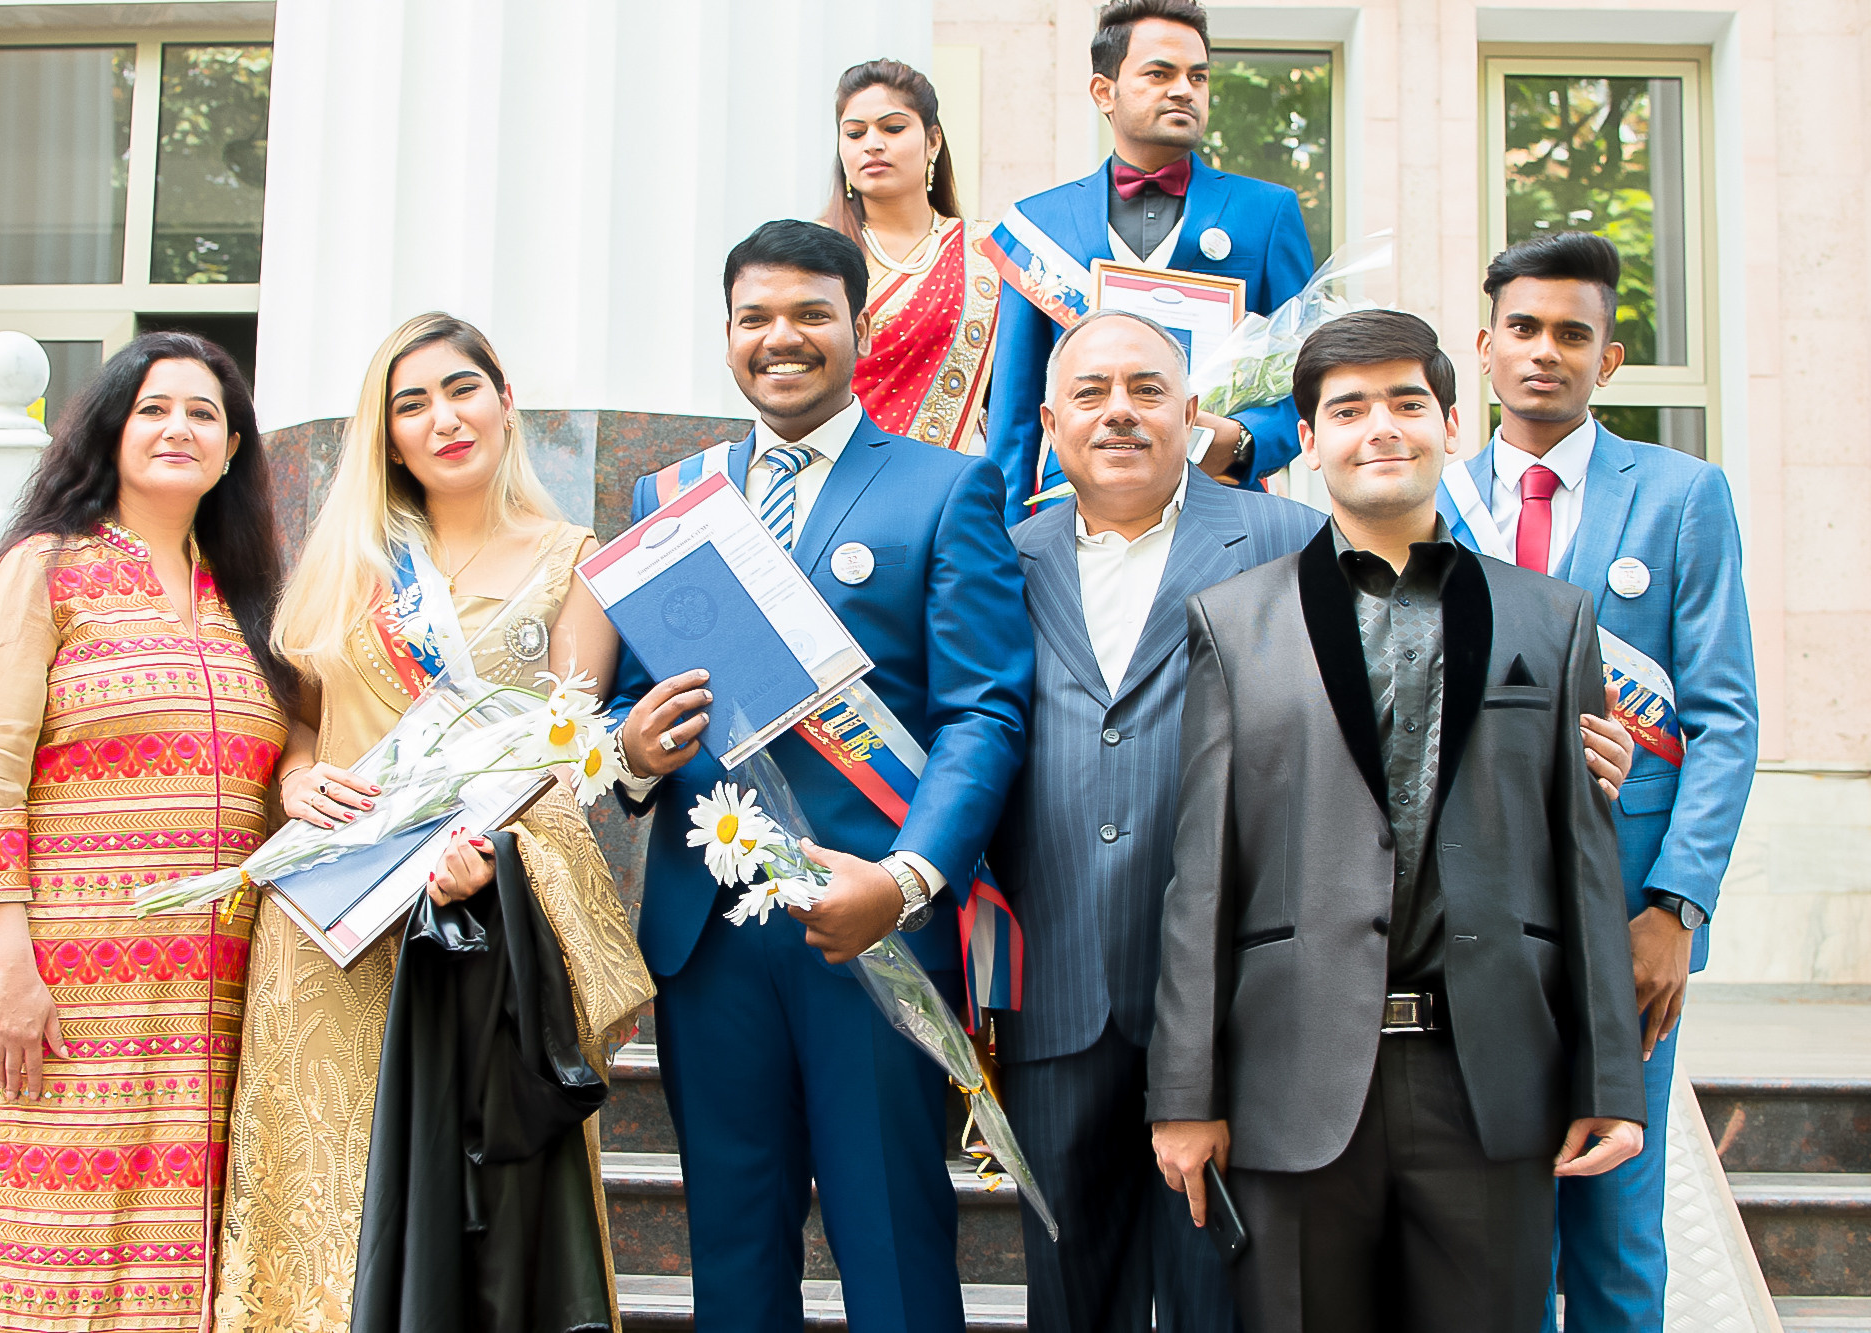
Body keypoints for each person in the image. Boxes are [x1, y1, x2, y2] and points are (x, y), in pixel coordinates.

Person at [1148, 309, 1648, 1332]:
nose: (1379, 426)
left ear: (1450, 425)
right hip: (1293, 1073)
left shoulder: (1550, 621)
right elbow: (1202, 874)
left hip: (1488, 1073)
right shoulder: (1231, 623)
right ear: (1310, 441)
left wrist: (1611, 1075)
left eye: (1405, 402)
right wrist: (1184, 1092)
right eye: (1346, 408)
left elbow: (1582, 861)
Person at [608, 219, 1032, 1332]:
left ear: (858, 327)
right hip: (710, 938)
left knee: (889, 1242)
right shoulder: (671, 499)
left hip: (874, 924)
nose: (779, 338)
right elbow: (624, 699)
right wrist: (630, 749)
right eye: (753, 317)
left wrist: (904, 879)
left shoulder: (947, 490)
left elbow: (980, 710)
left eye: (809, 314)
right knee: (732, 1252)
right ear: (729, 332)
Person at [213, 313, 645, 1331]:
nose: (442, 418)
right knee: (324, 1193)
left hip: (479, 921)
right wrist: (297, 780)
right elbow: (301, 726)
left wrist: (482, 857)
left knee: (479, 1228)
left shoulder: (575, 561)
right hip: (333, 926)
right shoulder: (350, 562)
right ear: (387, 436)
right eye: (411, 404)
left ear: (504, 402)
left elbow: (562, 757)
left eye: (461, 389)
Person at [0, 333, 294, 1333]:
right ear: (110, 430)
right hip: (60, 995)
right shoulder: (41, 571)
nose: (179, 427)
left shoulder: (247, 607)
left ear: (231, 450)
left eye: (203, 414)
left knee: (181, 1272)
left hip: (211, 1004)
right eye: (153, 408)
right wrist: (7, 963)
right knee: (47, 1263)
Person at [1440, 231, 1759, 1332]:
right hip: (1460, 922)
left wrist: (1674, 906)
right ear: (1482, 347)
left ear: (1607, 359)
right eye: (1520, 329)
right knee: (1494, 1221)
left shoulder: (1679, 497)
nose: (1543, 352)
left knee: (1616, 1228)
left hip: (1622, 916)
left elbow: (1721, 718)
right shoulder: (1428, 500)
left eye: (1570, 333)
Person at [989, 308, 1322, 1333]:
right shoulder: (1003, 557)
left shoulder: (1286, 538)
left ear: (1190, 412)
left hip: (1228, 1002)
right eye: (1089, 394)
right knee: (1069, 1295)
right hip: (1054, 994)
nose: (1118, 413)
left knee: (1216, 1298)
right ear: (1048, 422)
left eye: (1144, 391)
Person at [985, 0, 1315, 520]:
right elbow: (1015, 413)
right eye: (1159, 73)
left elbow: (1310, 375)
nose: (1184, 90)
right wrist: (1005, 543)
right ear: (1104, 92)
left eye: (1198, 77)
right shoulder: (1039, 224)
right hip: (1068, 508)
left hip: (1222, 500)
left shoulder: (1268, 213)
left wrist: (1248, 441)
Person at [820, 58, 1000, 453]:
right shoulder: (815, 255)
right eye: (854, 133)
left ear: (933, 140)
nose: (872, 144)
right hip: (843, 472)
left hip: (959, 473)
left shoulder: (989, 251)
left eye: (893, 128)